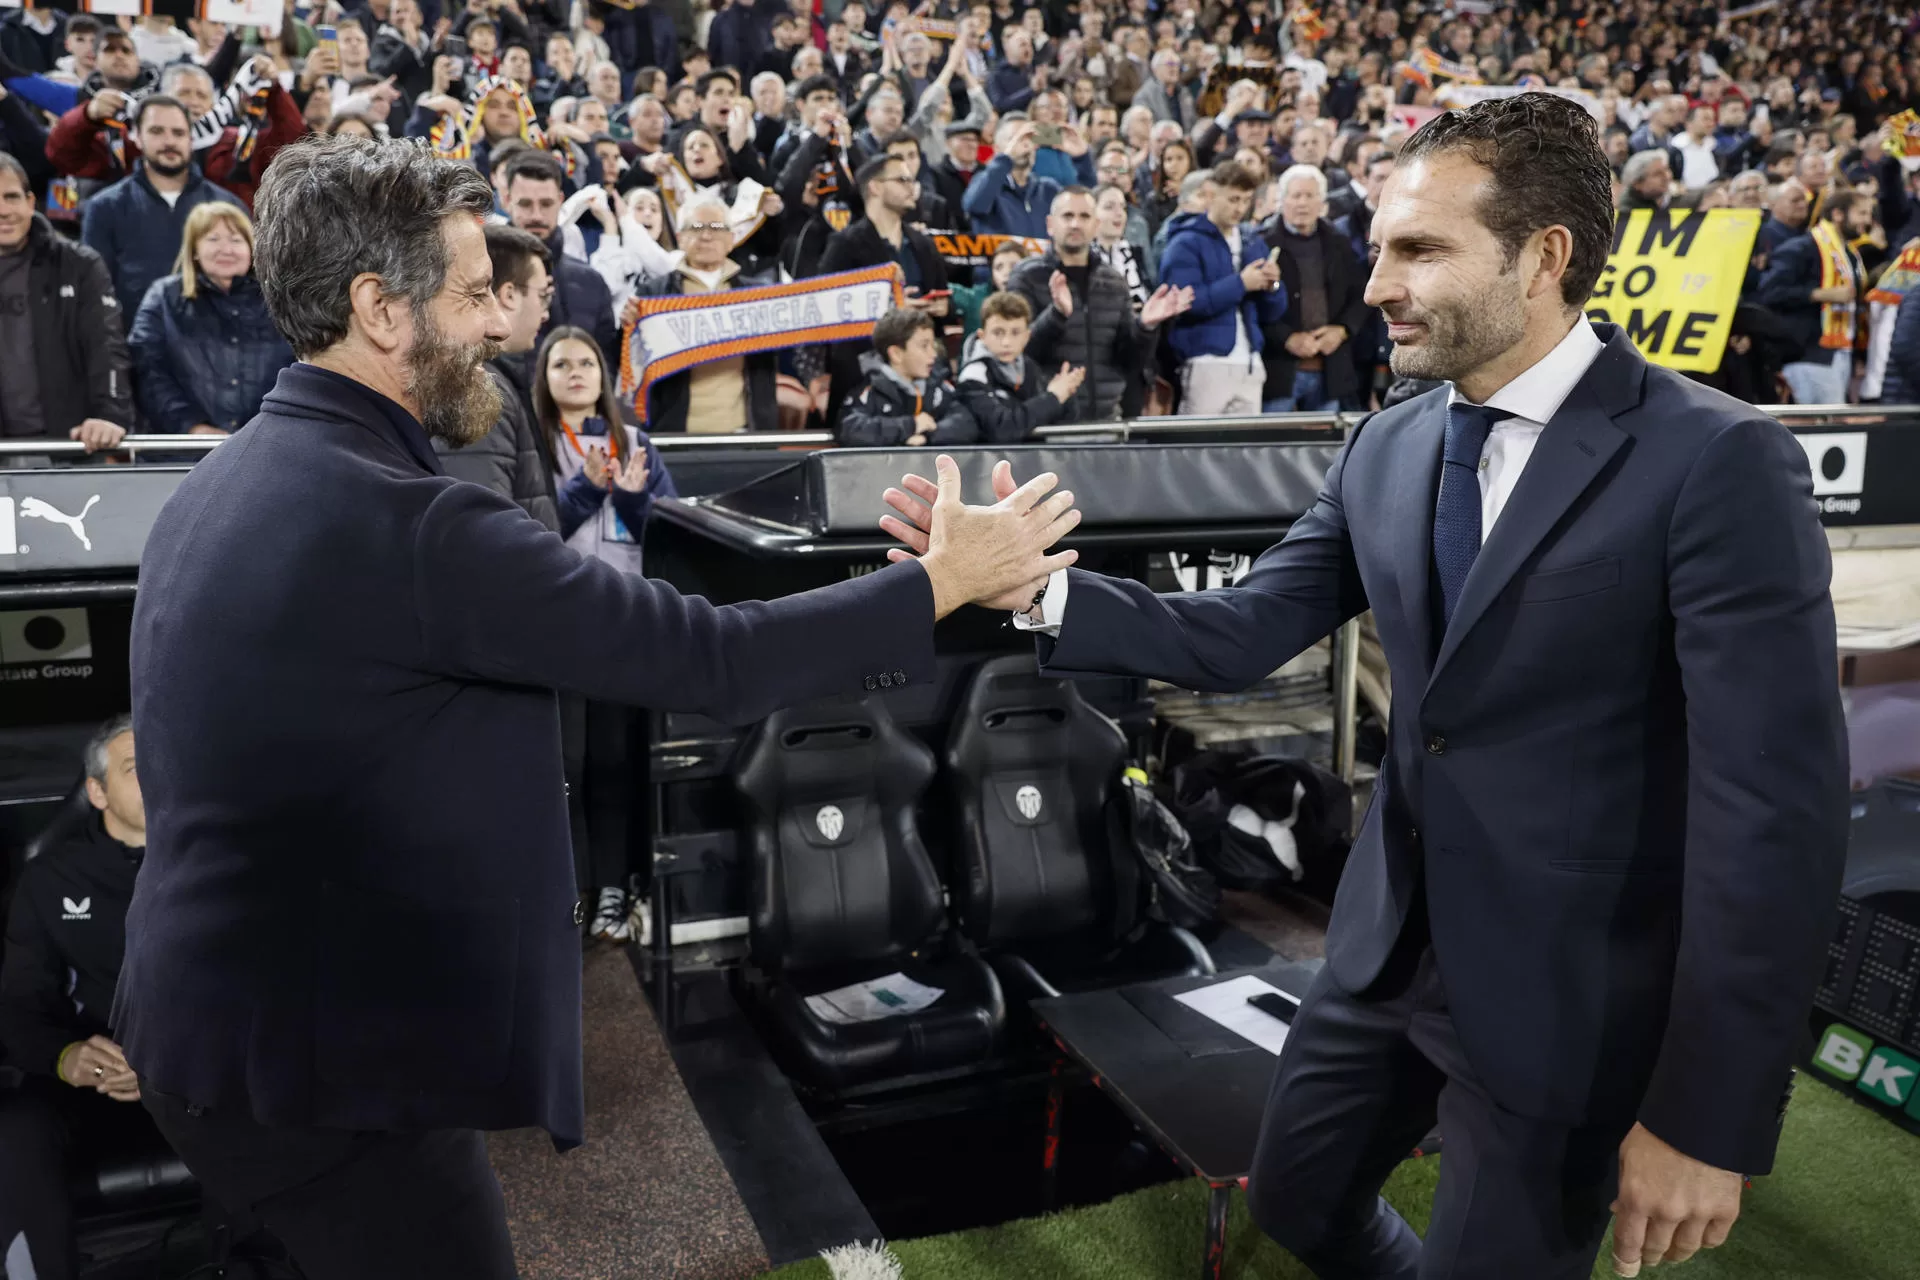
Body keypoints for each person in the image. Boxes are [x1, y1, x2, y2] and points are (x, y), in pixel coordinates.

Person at [881, 93, 1846, 1280]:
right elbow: (1238, 632)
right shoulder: (1387, 441)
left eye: (1418, 250)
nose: (1375, 283)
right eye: (1379, 243)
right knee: (1296, 1199)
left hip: (1571, 998)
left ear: (1546, 258)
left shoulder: (1718, 458)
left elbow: (1777, 813)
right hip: (1384, 949)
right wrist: (1036, 591)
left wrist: (1707, 1111)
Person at [114, 135, 1076, 1280]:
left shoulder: (215, 481)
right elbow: (712, 657)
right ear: (379, 307)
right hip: (315, 1074)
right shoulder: (417, 528)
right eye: (474, 294)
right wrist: (944, 581)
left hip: (206, 1030)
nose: (499, 324)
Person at [0, 716, 158, 1280]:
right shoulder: (51, 880)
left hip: (202, 1081)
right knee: (15, 1129)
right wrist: (66, 1059)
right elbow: (20, 1004)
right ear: (97, 791)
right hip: (97, 1078)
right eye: (138, 768)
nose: (161, 776)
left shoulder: (221, 865)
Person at [1006, 186, 1191, 421]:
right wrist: (1057, 315)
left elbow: (1129, 361)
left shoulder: (1114, 282)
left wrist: (1145, 326)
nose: (1075, 224)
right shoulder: (1026, 277)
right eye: (1067, 216)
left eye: (1084, 217)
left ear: (1095, 225)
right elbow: (1017, 353)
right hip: (1049, 420)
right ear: (1050, 224)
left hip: (1107, 420)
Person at [431, 223, 558, 531]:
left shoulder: (499, 376)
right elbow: (482, 530)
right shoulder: (480, 384)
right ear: (510, 294)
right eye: (543, 296)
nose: (546, 313)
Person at [0, 152, 131, 450]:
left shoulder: (79, 265)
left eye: (11, 197)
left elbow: (107, 344)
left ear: (31, 202)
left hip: (69, 450)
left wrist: (110, 415)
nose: (3, 210)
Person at [128, 202, 293, 436]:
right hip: (181, 451)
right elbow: (149, 372)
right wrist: (192, 427)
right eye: (213, 239)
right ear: (194, 249)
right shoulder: (163, 298)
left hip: (265, 447)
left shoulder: (280, 300)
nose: (225, 249)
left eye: (236, 240)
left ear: (252, 248)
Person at [80, 94, 247, 318]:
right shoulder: (104, 207)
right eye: (157, 131)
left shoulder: (227, 206)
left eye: (178, 133)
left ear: (190, 139)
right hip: (132, 346)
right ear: (137, 137)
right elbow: (94, 294)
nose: (169, 141)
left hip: (217, 345)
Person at [627, 196, 779, 435]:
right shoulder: (653, 293)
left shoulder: (759, 295)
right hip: (674, 433)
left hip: (745, 432)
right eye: (696, 227)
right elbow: (630, 358)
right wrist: (629, 326)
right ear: (680, 237)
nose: (706, 235)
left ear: (731, 239)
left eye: (716, 227)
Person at [1158, 158, 1287, 416]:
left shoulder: (1253, 242)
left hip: (1249, 360)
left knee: (1247, 452)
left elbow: (1274, 313)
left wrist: (1273, 285)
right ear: (1210, 193)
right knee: (1199, 448)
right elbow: (1186, 303)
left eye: (1245, 200)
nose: (1240, 208)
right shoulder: (1185, 242)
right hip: (1205, 361)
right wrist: (1241, 283)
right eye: (1233, 199)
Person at [502, 149, 621, 366]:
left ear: (560, 201)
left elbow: (606, 366)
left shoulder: (591, 282)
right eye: (525, 204)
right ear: (506, 200)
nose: (536, 215)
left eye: (546, 204)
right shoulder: (484, 279)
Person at [1264, 163, 1367, 412]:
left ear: (1322, 202)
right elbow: (1254, 305)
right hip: (1279, 367)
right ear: (1282, 200)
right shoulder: (1263, 243)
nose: (1302, 203)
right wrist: (1286, 337)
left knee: (1325, 448)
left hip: (1330, 368)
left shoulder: (1339, 244)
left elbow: (1360, 295)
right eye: (1296, 195)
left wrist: (1341, 331)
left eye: (1310, 196)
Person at [1758, 188, 1873, 405]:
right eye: (1862, 213)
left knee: (1832, 421)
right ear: (1838, 214)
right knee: (1819, 425)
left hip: (1842, 351)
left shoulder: (1850, 254)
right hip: (1808, 353)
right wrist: (1819, 294)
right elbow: (1769, 292)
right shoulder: (1801, 247)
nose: (1867, 221)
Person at [839, 306, 977, 446]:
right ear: (896, 354)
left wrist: (928, 437)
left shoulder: (940, 388)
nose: (933, 354)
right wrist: (910, 425)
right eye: (924, 346)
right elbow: (850, 429)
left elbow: (966, 422)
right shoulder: (869, 391)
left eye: (932, 345)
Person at [956, 289, 1084, 440]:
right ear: (982, 336)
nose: (1006, 342)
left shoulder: (1029, 367)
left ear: (1027, 336)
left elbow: (1060, 419)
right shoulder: (973, 376)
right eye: (998, 332)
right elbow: (1003, 429)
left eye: (1015, 332)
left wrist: (1066, 395)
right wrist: (1053, 397)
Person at [963, 117, 1063, 237]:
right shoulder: (985, 183)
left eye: (1030, 139)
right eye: (1015, 139)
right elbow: (975, 205)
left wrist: (1081, 158)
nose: (1024, 144)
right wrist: (1006, 158)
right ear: (997, 149)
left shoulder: (1049, 189)